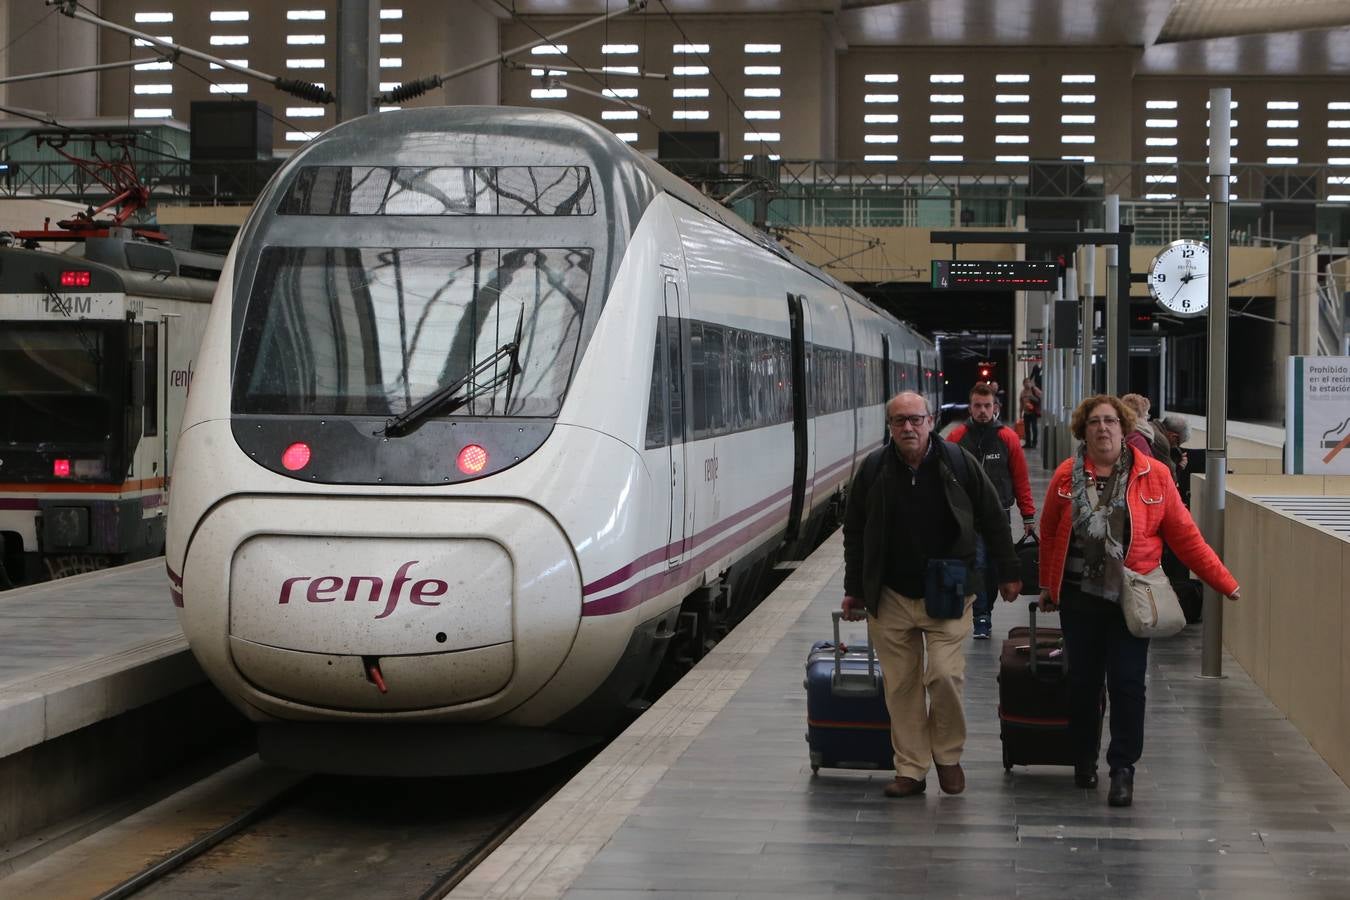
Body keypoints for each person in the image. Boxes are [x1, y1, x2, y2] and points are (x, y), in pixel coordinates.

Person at [1037, 395, 1240, 808]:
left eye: (1111, 421)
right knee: (1082, 684)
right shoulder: (1064, 477)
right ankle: (1083, 759)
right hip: (1079, 599)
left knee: (1128, 684)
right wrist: (1047, 586)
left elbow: (1186, 538)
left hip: (1131, 598)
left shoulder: (1155, 475)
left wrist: (1224, 581)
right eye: (1094, 422)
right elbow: (1051, 534)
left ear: (1124, 427)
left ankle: (1123, 768)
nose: (1103, 429)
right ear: (1083, 430)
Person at [841, 391, 1022, 799]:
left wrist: (1008, 572)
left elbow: (993, 517)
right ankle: (911, 768)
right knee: (901, 685)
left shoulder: (957, 463)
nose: (908, 427)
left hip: (948, 591)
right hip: (889, 594)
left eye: (915, 420)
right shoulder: (873, 470)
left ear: (930, 420)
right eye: (899, 421)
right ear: (889, 427)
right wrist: (855, 589)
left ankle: (947, 755)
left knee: (943, 675)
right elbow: (854, 532)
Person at [945, 383, 1036, 640]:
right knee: (979, 564)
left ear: (995, 407)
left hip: (1000, 514)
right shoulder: (956, 438)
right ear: (970, 407)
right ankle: (981, 617)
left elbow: (1020, 479)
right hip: (967, 517)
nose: (983, 411)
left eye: (987, 406)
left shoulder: (1007, 438)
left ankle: (986, 609)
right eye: (977, 406)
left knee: (995, 567)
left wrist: (1028, 515)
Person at [1120, 393, 1171, 473]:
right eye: (1146, 416)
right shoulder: (1137, 440)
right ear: (1138, 417)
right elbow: (1145, 470)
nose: (1147, 420)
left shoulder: (1126, 434)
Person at [1019, 378, 1043, 449]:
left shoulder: (1034, 389)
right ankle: (1028, 443)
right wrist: (1020, 413)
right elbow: (1021, 404)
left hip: (1033, 412)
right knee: (1026, 428)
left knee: (1034, 427)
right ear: (1023, 384)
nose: (1027, 384)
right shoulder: (1022, 392)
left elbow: (1041, 396)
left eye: (1029, 382)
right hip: (1026, 412)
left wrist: (1032, 397)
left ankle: (1034, 443)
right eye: (1026, 382)